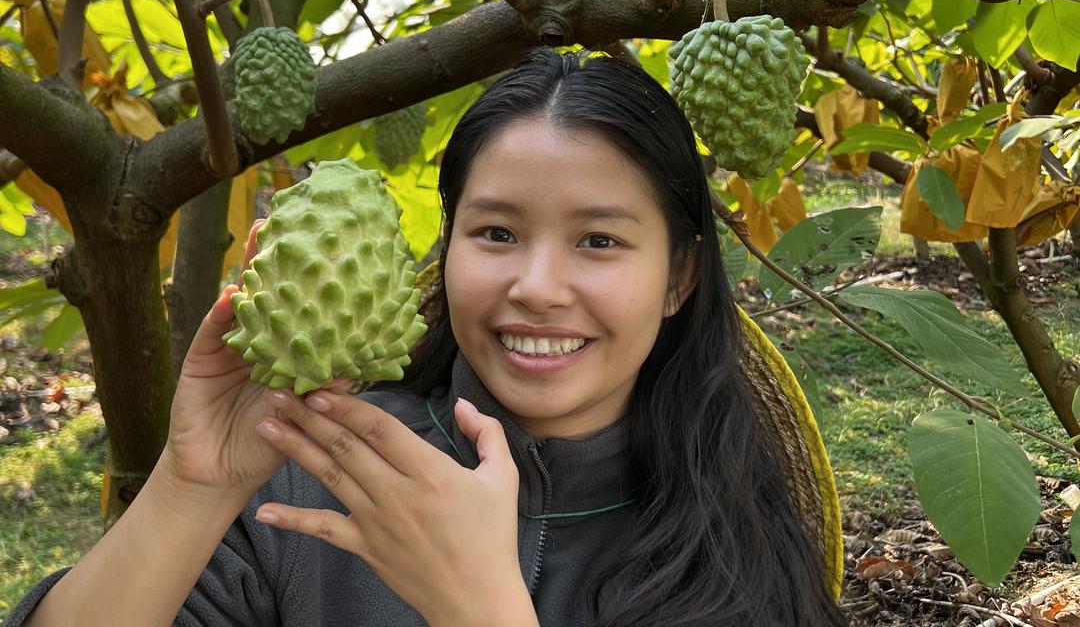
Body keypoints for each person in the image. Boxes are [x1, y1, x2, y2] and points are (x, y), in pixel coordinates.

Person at [7, 48, 847, 627]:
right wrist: (193, 487)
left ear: (680, 277)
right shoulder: (311, 479)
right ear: (446, 252)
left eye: (599, 240)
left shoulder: (735, 530)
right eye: (496, 234)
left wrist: (478, 606)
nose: (536, 287)